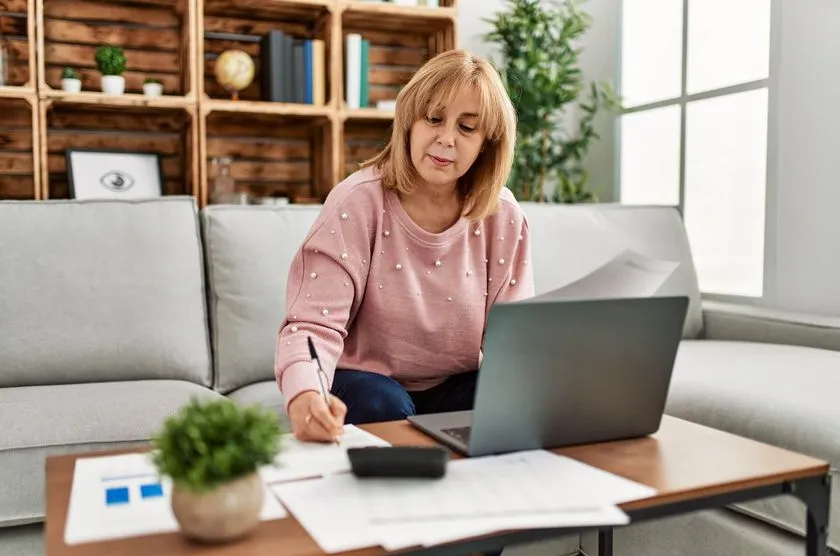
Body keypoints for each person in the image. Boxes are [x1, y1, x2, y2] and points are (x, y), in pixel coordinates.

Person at [274, 48, 535, 444]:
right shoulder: (356, 202)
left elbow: (514, 339)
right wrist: (305, 393)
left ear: (486, 143)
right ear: (410, 121)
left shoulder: (503, 215)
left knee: (511, 403)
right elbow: (312, 324)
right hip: (367, 381)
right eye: (434, 118)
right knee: (383, 405)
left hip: (454, 384)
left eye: (467, 128)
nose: (446, 138)